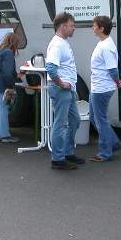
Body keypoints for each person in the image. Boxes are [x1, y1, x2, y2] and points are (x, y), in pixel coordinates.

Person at [45, 12, 85, 170]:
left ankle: (67, 153)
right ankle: (58, 159)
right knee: (60, 124)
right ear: (62, 26)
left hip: (68, 89)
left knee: (74, 120)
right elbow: (50, 68)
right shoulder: (57, 44)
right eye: (71, 25)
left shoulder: (63, 42)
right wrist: (61, 83)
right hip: (61, 90)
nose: (74, 28)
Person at [88, 16, 121, 162]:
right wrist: (118, 82)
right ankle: (113, 142)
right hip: (98, 87)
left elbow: (112, 69)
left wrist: (118, 81)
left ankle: (105, 152)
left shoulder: (106, 46)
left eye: (94, 25)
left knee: (100, 120)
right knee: (94, 117)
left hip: (101, 89)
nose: (93, 28)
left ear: (101, 28)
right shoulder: (104, 43)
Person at [0, 32, 21, 143]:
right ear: (14, 43)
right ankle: (5, 135)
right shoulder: (8, 53)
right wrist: (10, 86)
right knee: (4, 107)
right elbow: (8, 72)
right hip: (3, 81)